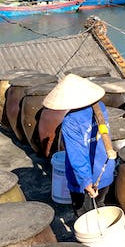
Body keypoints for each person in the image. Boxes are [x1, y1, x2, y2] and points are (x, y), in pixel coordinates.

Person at [43, 74, 116, 216]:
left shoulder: (71, 122)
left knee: (86, 218)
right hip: (105, 170)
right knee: (102, 209)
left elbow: (77, 155)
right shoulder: (100, 107)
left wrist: (86, 182)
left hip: (86, 181)